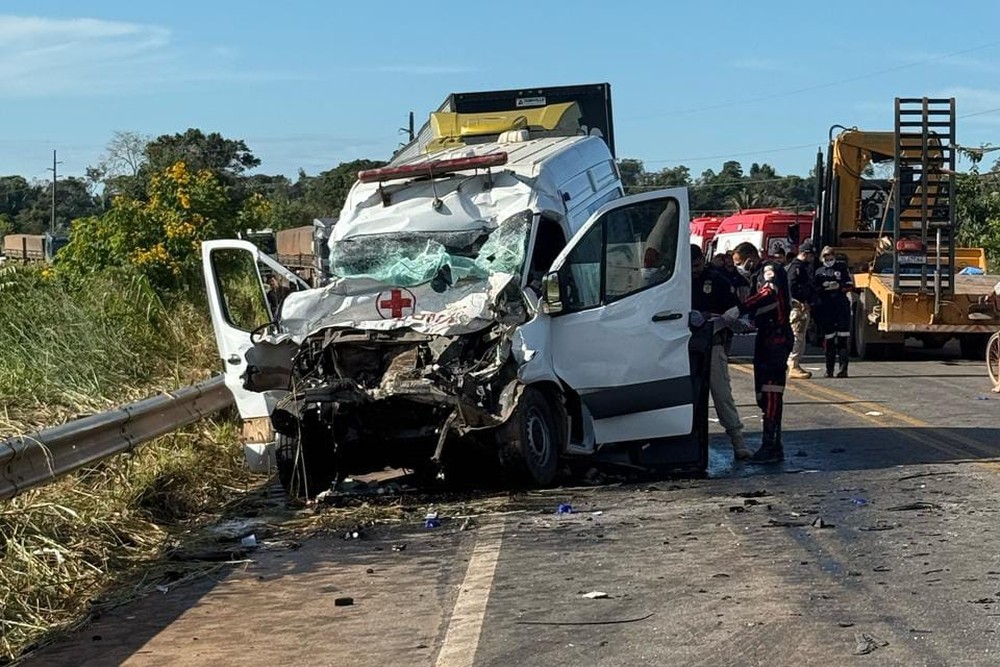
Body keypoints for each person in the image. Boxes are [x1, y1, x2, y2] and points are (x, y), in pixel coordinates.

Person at [723, 243, 794, 463]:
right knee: (764, 393)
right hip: (766, 334)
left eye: (739, 263)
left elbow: (769, 292)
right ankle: (773, 444)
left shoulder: (769, 269)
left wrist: (741, 309)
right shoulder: (757, 275)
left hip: (776, 336)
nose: (739, 268)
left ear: (750, 258)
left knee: (771, 391)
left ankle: (770, 445)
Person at [690, 245, 753, 460]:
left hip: (712, 343)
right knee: (688, 397)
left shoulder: (717, 281)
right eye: (690, 267)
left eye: (697, 265)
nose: (694, 270)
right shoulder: (677, 281)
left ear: (702, 260)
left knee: (722, 394)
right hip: (682, 347)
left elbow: (734, 311)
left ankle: (738, 441)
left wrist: (719, 317)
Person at [813, 245, 854, 378]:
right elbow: (814, 289)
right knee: (829, 340)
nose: (828, 260)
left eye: (830, 257)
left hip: (841, 307)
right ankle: (829, 370)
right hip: (826, 308)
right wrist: (823, 288)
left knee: (842, 339)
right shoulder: (819, 272)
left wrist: (839, 286)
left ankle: (843, 370)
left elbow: (849, 285)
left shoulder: (841, 268)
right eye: (826, 258)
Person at [786, 240, 817, 379]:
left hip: (803, 306)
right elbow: (791, 287)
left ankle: (795, 364)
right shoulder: (796, 268)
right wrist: (800, 301)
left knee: (801, 337)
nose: (812, 258)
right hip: (798, 308)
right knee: (797, 336)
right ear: (805, 254)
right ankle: (793, 365)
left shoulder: (803, 267)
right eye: (811, 255)